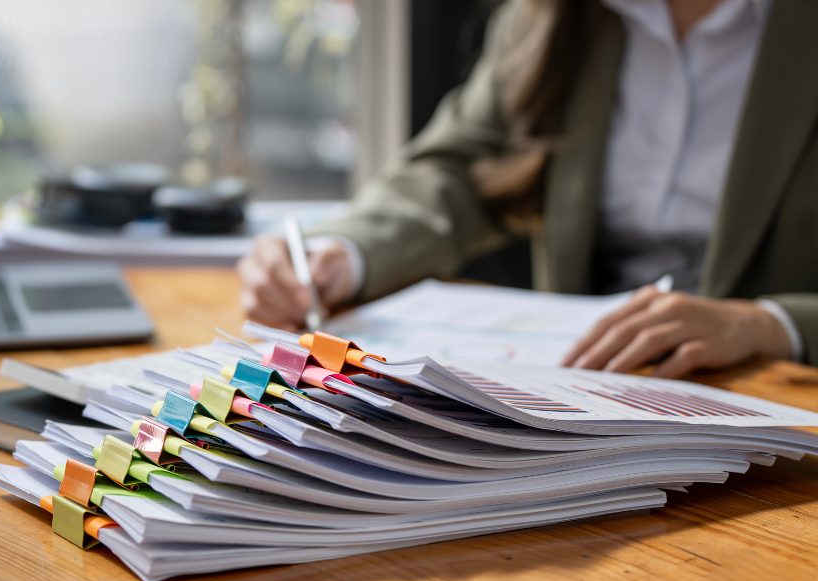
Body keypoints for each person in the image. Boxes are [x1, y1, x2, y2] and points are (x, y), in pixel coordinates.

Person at [238, 0, 818, 378]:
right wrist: (343, 254)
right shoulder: (559, 17)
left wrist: (764, 323)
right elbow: (460, 167)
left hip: (775, 400)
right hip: (590, 394)